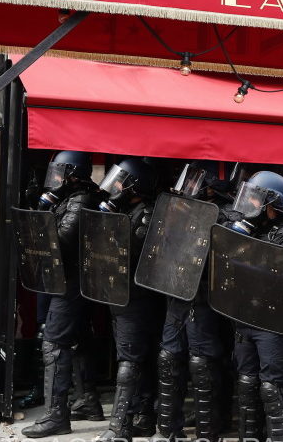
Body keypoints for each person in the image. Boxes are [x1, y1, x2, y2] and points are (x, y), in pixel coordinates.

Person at [22, 151, 104, 438]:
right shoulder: (69, 198)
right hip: (65, 279)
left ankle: (56, 415)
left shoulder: (81, 199)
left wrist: (43, 215)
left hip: (71, 281)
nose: (54, 178)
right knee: (78, 340)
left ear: (73, 174)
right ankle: (88, 401)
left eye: (60, 172)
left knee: (54, 344)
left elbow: (61, 242)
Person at [229, 171, 283, 442]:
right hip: (244, 318)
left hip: (272, 323)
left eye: (255, 199)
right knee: (246, 384)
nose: (249, 204)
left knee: (272, 387)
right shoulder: (244, 229)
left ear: (272, 203)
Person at [156, 160, 232, 441]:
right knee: (169, 357)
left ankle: (207, 431)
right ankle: (169, 429)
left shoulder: (224, 215)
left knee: (202, 362)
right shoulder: (182, 209)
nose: (190, 187)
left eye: (197, 181)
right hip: (176, 293)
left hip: (202, 297)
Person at [92, 158, 162, 441]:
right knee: (135, 359)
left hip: (137, 299)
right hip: (122, 297)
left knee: (130, 360)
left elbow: (132, 253)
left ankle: (119, 428)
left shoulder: (144, 215)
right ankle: (142, 418)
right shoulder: (129, 211)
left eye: (120, 181)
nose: (115, 187)